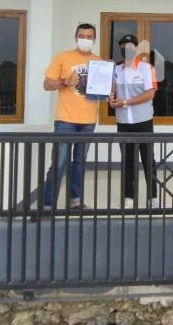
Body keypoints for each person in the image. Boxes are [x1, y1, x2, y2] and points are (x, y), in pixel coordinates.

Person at [41, 23, 102, 210]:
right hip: (65, 120)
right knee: (59, 163)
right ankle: (47, 204)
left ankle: (75, 201)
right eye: (82, 36)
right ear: (76, 37)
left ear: (94, 39)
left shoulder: (99, 61)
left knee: (80, 163)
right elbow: (47, 84)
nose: (85, 39)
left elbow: (103, 89)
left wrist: (109, 88)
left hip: (88, 120)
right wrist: (65, 81)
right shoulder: (63, 57)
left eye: (89, 36)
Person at [108, 34, 158, 208]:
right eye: (123, 47)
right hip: (123, 122)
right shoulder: (116, 70)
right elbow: (112, 91)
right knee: (127, 160)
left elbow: (150, 94)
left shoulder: (147, 68)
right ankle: (128, 197)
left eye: (130, 47)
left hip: (143, 121)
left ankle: (153, 198)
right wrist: (111, 99)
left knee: (148, 160)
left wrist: (125, 102)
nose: (126, 50)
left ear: (136, 49)